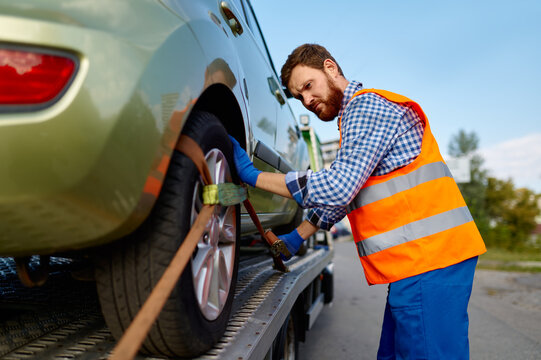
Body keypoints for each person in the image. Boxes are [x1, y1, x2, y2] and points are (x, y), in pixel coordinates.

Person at [229, 43, 486, 359]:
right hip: (422, 261)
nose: (307, 101)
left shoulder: (364, 109)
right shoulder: (354, 118)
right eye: (299, 97)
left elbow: (338, 187)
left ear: (330, 68)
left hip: (429, 259)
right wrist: (297, 237)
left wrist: (254, 177)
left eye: (308, 86)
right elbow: (346, 197)